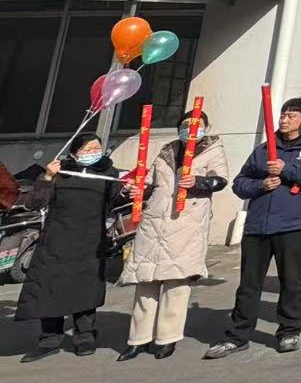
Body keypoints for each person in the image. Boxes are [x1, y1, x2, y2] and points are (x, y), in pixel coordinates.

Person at [210, 100, 301, 358]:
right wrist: (260, 185)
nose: (284, 120)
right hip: (258, 226)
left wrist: (287, 170)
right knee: (249, 285)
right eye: (283, 115)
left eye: (291, 115)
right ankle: (237, 336)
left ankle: (289, 331)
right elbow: (240, 183)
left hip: (292, 225)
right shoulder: (264, 149)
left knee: (291, 281)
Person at [119, 109, 228, 361]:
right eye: (186, 124)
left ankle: (166, 338)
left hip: (186, 221)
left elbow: (220, 180)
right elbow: (149, 182)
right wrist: (136, 190)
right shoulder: (167, 150)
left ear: (206, 127)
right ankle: (138, 338)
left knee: (176, 281)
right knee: (146, 279)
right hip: (155, 220)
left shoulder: (212, 149)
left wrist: (199, 181)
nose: (190, 128)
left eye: (196, 124)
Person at [17, 136, 126, 358]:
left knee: (85, 289)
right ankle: (50, 337)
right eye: (88, 148)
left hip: (90, 240)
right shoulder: (60, 171)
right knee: (49, 287)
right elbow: (34, 203)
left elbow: (117, 202)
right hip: (56, 239)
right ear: (75, 152)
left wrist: (131, 192)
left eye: (97, 148)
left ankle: (84, 336)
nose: (94, 152)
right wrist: (47, 177)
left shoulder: (108, 173)